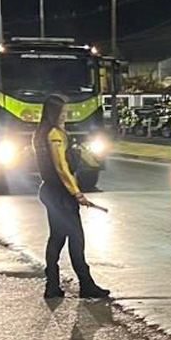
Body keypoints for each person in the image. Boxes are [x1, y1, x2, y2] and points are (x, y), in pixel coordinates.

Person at [33, 94, 110, 300]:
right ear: (54, 113)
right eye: (62, 112)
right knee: (76, 238)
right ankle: (86, 284)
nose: (65, 115)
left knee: (57, 238)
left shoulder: (41, 133)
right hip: (60, 194)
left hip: (51, 191)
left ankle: (52, 285)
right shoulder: (54, 135)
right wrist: (76, 193)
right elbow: (61, 167)